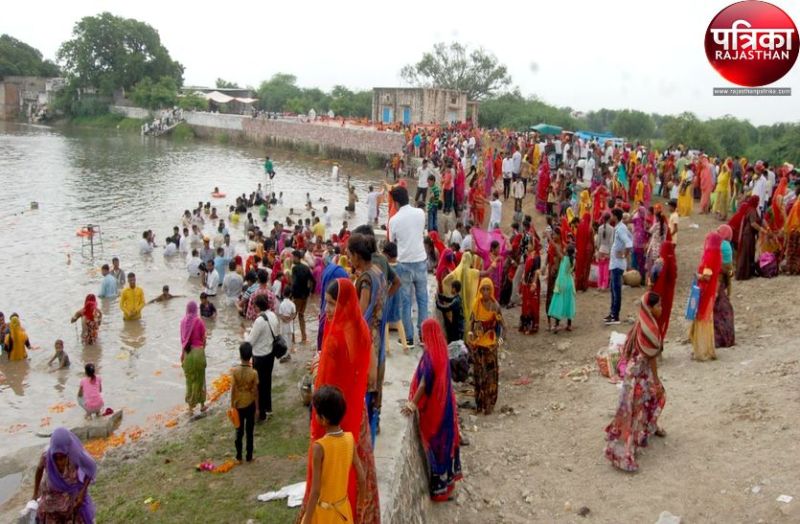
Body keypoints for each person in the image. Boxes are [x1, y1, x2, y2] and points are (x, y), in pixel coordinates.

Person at [302, 279, 379, 524]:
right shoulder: (360, 328)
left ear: (344, 303)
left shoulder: (336, 335)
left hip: (336, 411)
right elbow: (364, 371)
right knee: (356, 461)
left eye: (333, 303)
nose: (327, 308)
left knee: (326, 470)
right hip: (356, 409)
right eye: (326, 302)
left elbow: (328, 375)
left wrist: (317, 366)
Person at [604, 291, 666, 472]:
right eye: (658, 306)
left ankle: (644, 432)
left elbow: (629, 348)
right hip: (641, 375)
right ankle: (627, 449)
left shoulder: (642, 324)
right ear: (650, 308)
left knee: (630, 409)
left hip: (633, 373)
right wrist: (655, 379)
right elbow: (652, 357)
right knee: (645, 404)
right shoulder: (650, 329)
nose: (661, 309)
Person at [401, 319, 463, 501]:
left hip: (435, 412)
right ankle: (447, 485)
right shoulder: (442, 351)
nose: (421, 336)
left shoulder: (430, 357)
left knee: (437, 447)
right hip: (446, 408)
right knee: (446, 445)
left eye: (423, 333)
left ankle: (439, 490)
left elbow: (423, 385)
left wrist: (412, 404)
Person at [302, 385, 365, 524]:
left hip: (324, 514)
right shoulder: (349, 439)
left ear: (323, 419)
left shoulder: (319, 447)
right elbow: (361, 476)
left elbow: (316, 491)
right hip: (343, 510)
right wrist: (361, 505)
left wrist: (306, 519)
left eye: (316, 413)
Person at [349, 233, 387, 442]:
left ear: (356, 255)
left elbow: (361, 313)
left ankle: (365, 436)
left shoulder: (365, 279)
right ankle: (375, 421)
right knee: (375, 383)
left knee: (365, 385)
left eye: (350, 254)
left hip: (368, 338)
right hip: (379, 334)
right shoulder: (378, 271)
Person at [388, 186, 428, 346]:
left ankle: (409, 338)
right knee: (422, 299)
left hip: (404, 263)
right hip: (420, 260)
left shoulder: (394, 220)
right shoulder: (420, 213)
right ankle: (424, 336)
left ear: (396, 203)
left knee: (405, 302)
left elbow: (392, 242)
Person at [33, 427, 97, 523]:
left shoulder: (75, 456)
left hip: (70, 505)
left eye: (62, 457)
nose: (59, 462)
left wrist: (82, 493)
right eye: (56, 458)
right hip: (50, 503)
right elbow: (39, 470)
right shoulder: (46, 456)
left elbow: (90, 470)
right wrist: (35, 492)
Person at [467, 278, 505, 415]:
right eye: (483, 289)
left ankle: (489, 404)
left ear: (492, 290)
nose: (485, 292)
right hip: (477, 346)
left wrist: (498, 344)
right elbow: (471, 325)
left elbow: (502, 329)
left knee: (490, 376)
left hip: (490, 346)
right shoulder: (476, 305)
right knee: (478, 375)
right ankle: (479, 404)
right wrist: (470, 336)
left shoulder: (495, 307)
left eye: (488, 289)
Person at [246, 294, 279, 422]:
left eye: (254, 305)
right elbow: (276, 332)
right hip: (270, 354)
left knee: (259, 385)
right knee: (267, 382)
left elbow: (250, 341)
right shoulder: (272, 315)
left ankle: (261, 413)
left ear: (258, 306)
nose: (253, 308)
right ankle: (268, 408)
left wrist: (244, 335)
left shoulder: (259, 320)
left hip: (260, 356)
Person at [690, 232, 722, 361]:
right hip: (711, 291)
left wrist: (697, 276)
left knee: (701, 319)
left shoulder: (709, 255)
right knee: (708, 319)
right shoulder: (718, 254)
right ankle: (708, 349)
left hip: (704, 291)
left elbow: (707, 276)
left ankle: (701, 351)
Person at [231, 342, 258, 463]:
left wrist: (232, 405)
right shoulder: (253, 373)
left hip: (238, 404)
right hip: (250, 403)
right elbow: (255, 391)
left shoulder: (235, 372)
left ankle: (238, 456)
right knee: (249, 432)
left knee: (239, 430)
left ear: (240, 355)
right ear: (251, 356)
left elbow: (233, 389)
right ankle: (249, 456)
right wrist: (257, 408)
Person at [180, 301, 208, 415]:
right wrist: (202, 349)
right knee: (200, 379)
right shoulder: (199, 321)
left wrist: (183, 354)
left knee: (189, 380)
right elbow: (204, 338)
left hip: (187, 353)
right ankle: (202, 405)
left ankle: (190, 408)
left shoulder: (182, 322)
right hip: (198, 352)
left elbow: (182, 341)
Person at [606, 209, 632, 325]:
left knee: (616, 291)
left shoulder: (621, 229)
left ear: (615, 217)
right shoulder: (620, 227)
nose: (611, 217)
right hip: (615, 263)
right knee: (613, 290)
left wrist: (623, 254)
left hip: (617, 264)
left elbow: (629, 243)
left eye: (612, 215)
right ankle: (612, 313)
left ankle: (615, 316)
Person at [714, 225, 735, 348]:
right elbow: (730, 269)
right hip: (725, 279)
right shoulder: (728, 246)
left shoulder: (719, 245)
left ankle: (720, 338)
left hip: (718, 280)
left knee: (717, 310)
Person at [733, 195, 763, 280]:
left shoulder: (750, 209)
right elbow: (753, 223)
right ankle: (743, 273)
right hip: (748, 234)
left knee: (748, 253)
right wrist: (761, 229)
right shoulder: (752, 210)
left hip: (748, 234)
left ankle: (748, 272)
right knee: (746, 253)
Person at [548, 245, 577, 332]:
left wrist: (549, 237)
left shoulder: (564, 259)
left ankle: (557, 325)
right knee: (568, 301)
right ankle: (569, 325)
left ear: (567, 252)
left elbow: (557, 249)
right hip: (569, 282)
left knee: (559, 302)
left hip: (562, 282)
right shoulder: (573, 260)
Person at [291, 250, 315, 344]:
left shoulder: (295, 268)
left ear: (297, 257)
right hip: (305, 296)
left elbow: (294, 283)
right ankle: (304, 337)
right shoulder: (306, 267)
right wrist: (311, 292)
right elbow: (313, 280)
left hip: (297, 296)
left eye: (293, 257)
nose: (292, 259)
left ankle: (292, 339)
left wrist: (291, 294)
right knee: (301, 315)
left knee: (292, 317)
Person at [519, 252, 541, 334]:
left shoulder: (537, 257)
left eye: (530, 244)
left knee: (533, 305)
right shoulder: (528, 255)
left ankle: (532, 325)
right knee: (526, 304)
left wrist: (534, 283)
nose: (528, 245)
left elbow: (537, 271)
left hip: (532, 284)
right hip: (526, 284)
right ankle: (525, 325)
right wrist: (523, 278)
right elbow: (525, 269)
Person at [596, 212, 614, 290]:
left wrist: (598, 249)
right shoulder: (612, 229)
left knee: (600, 269)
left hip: (601, 249)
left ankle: (599, 285)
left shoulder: (600, 228)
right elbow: (611, 241)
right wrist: (610, 251)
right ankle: (604, 285)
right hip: (607, 250)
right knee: (606, 270)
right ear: (609, 219)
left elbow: (598, 241)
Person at [278, 288, 297, 353]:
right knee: (290, 339)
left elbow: (280, 315)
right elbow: (294, 314)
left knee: (284, 340)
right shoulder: (292, 304)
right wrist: (289, 319)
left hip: (283, 325)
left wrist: (285, 320)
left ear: (283, 294)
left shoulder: (281, 304)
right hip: (290, 325)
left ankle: (285, 354)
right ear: (290, 294)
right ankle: (289, 352)